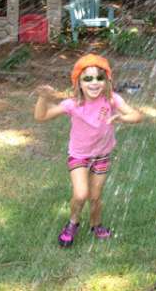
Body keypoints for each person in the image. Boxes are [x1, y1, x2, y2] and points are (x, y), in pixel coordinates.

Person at [34, 53, 144, 247]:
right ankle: (73, 223)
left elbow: (136, 116)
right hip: (79, 156)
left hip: (102, 155)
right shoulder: (73, 104)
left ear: (107, 81)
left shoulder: (112, 99)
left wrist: (121, 117)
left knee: (95, 196)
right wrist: (43, 98)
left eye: (99, 78)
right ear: (79, 83)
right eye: (88, 78)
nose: (94, 83)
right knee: (80, 194)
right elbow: (41, 117)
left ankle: (96, 225)